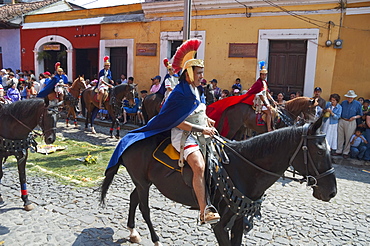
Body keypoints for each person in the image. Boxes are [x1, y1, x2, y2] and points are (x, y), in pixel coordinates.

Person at [107, 39, 220, 224]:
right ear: (190, 73)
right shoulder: (178, 93)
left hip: (201, 132)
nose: (202, 76)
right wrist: (202, 128)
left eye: (202, 73)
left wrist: (206, 119)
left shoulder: (197, 90)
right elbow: (178, 122)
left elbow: (197, 110)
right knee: (199, 166)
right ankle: (204, 210)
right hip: (184, 135)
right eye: (199, 73)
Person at [333, 90, 363, 159]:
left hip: (351, 122)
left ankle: (346, 152)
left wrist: (355, 117)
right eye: (349, 97)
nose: (350, 98)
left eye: (351, 97)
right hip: (342, 120)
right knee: (340, 136)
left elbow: (360, 114)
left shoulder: (357, 104)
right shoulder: (343, 103)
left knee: (348, 137)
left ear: (353, 98)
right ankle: (339, 150)